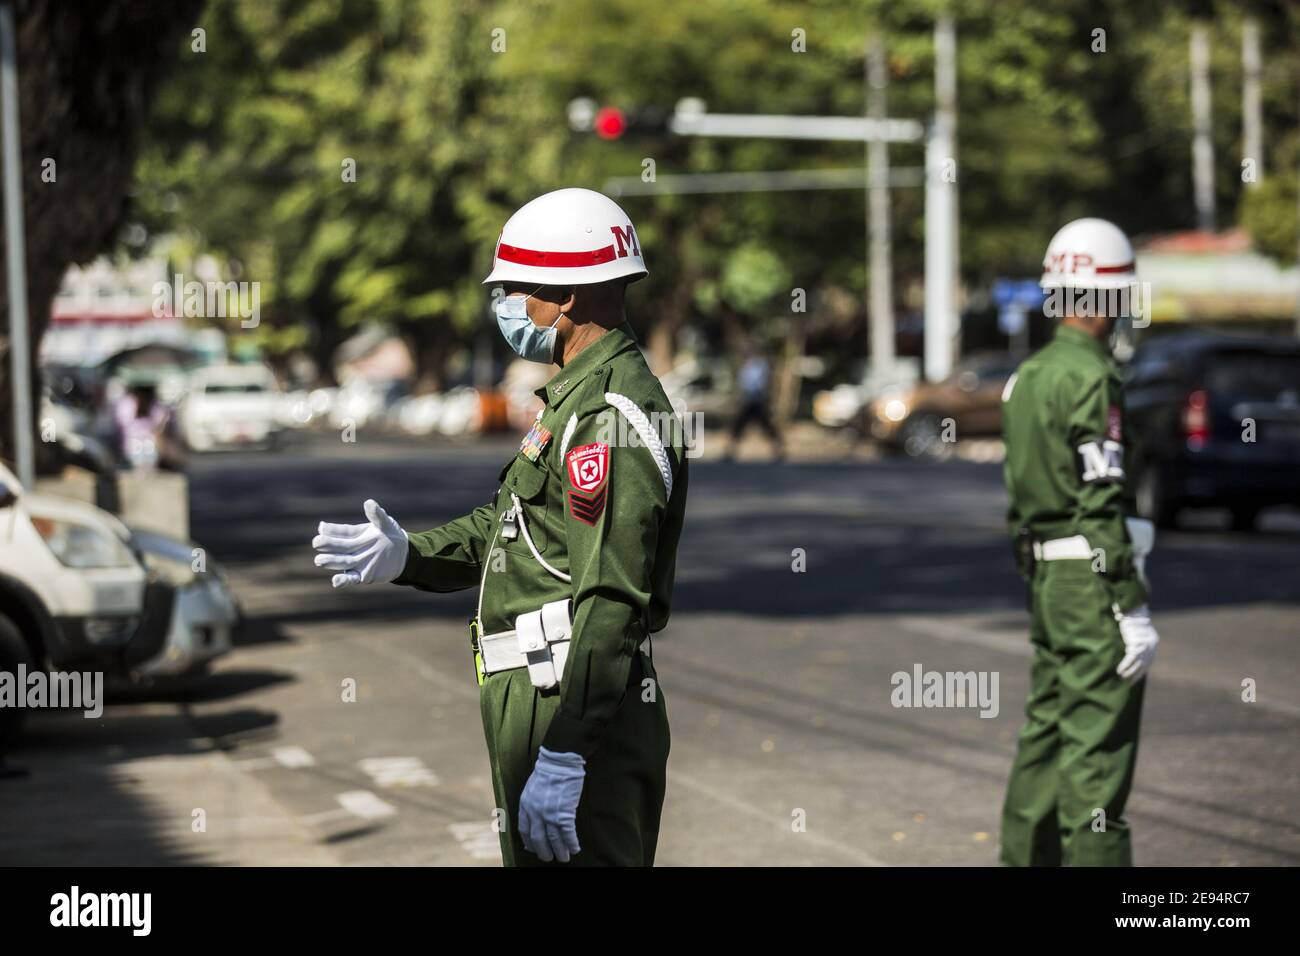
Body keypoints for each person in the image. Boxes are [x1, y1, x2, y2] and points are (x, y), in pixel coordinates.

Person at [312, 188, 688, 866]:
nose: (506, 306)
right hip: (539, 697)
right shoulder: (572, 402)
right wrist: (410, 556)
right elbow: (513, 527)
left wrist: (569, 750)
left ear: (565, 295)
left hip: (569, 702)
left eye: (515, 289)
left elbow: (610, 601)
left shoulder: (609, 416)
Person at [999, 217, 1159, 866]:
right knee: (1095, 756)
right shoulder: (1094, 378)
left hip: (1046, 577)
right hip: (1091, 582)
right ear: (1112, 298)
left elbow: (1019, 498)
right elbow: (1100, 496)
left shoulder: (1029, 376)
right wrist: (1129, 600)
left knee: (1044, 738)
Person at [726, 343, 783, 460]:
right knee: (739, 425)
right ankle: (730, 451)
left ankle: (778, 451)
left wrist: (765, 398)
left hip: (758, 400)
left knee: (766, 426)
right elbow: (743, 384)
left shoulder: (761, 365)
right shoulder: (746, 366)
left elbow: (764, 383)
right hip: (747, 400)